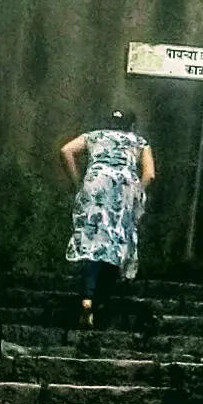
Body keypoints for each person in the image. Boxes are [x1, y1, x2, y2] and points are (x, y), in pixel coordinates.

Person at [59, 109, 154, 329]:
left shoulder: (95, 135)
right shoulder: (139, 142)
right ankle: (101, 302)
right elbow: (150, 173)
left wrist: (77, 182)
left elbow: (66, 151)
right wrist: (138, 191)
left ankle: (86, 298)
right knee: (116, 243)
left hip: (95, 184)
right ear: (131, 126)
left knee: (92, 242)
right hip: (124, 189)